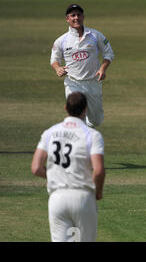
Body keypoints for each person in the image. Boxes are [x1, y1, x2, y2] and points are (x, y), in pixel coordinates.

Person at [31, 92, 105, 242]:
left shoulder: (49, 133)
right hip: (82, 197)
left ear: (65, 108)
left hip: (57, 199)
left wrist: (55, 174)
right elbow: (98, 170)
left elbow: (36, 168)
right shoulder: (92, 135)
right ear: (85, 109)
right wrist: (98, 191)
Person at [50, 4, 114, 128]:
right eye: (72, 15)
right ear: (67, 19)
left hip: (92, 82)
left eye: (79, 15)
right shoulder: (61, 40)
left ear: (83, 17)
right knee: (76, 119)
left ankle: (86, 128)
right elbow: (54, 59)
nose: (76, 18)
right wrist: (58, 68)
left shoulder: (95, 35)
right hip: (73, 83)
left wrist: (102, 68)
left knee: (96, 121)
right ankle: (80, 142)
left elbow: (109, 53)